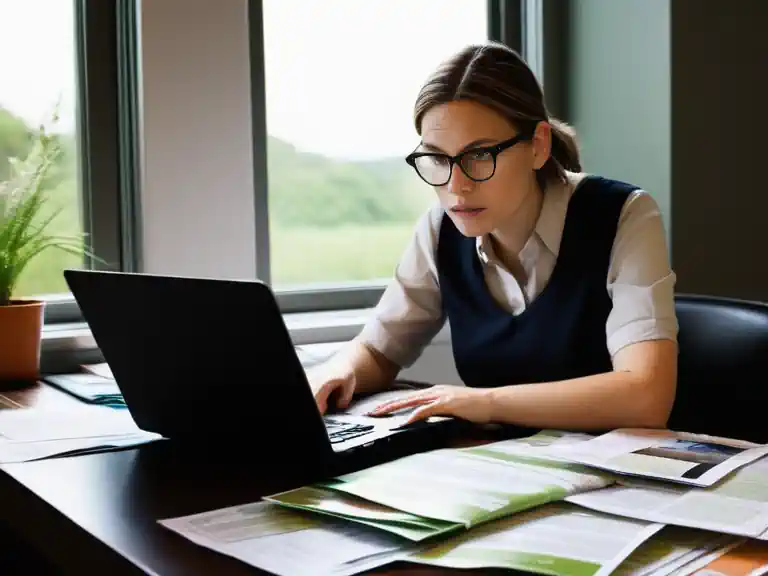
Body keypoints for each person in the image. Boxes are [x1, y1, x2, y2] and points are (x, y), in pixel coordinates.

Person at [308, 41, 678, 433]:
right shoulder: (439, 231)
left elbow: (646, 397)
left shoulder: (624, 214)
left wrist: (484, 402)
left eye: (480, 155)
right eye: (437, 158)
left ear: (537, 146)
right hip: (499, 467)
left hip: (616, 476)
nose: (456, 186)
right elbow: (378, 351)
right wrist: (337, 371)